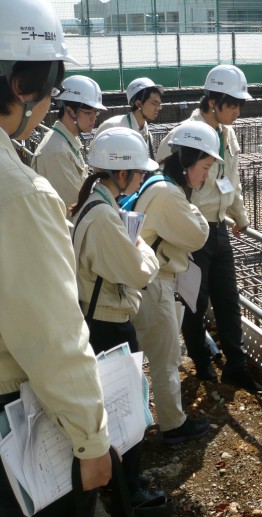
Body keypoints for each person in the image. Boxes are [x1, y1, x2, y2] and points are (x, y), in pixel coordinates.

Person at [0, 0, 112, 515]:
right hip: (14, 417)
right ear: (23, 86)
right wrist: (91, 439)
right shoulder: (22, 191)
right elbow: (52, 333)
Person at [156, 65, 262, 393]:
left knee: (228, 299)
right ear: (213, 101)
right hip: (192, 232)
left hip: (217, 229)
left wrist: (240, 216)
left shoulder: (228, 136)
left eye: (239, 105)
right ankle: (201, 361)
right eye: (232, 105)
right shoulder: (186, 131)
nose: (237, 111)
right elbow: (163, 171)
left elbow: (233, 181)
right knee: (195, 300)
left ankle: (236, 365)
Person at [70, 127, 163, 507]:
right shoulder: (106, 219)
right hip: (109, 326)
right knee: (126, 409)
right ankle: (129, 489)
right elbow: (142, 271)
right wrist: (140, 244)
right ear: (121, 174)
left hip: (97, 321)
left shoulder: (94, 207)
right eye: (139, 172)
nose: (142, 178)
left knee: (116, 404)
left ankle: (120, 482)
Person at [129, 120, 218, 445]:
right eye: (205, 166)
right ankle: (172, 424)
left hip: (147, 279)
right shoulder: (168, 194)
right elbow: (197, 234)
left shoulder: (159, 183)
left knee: (148, 353)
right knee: (166, 357)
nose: (206, 175)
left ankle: (145, 419)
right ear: (187, 161)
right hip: (154, 284)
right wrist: (195, 213)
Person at [31, 75, 106, 210]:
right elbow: (73, 207)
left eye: (96, 112)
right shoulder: (56, 152)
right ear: (70, 111)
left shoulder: (68, 139)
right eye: (88, 112)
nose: (94, 118)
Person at [96, 77, 163, 159]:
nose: (158, 108)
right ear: (138, 104)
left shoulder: (148, 136)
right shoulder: (112, 127)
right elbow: (95, 160)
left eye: (159, 104)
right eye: (154, 103)